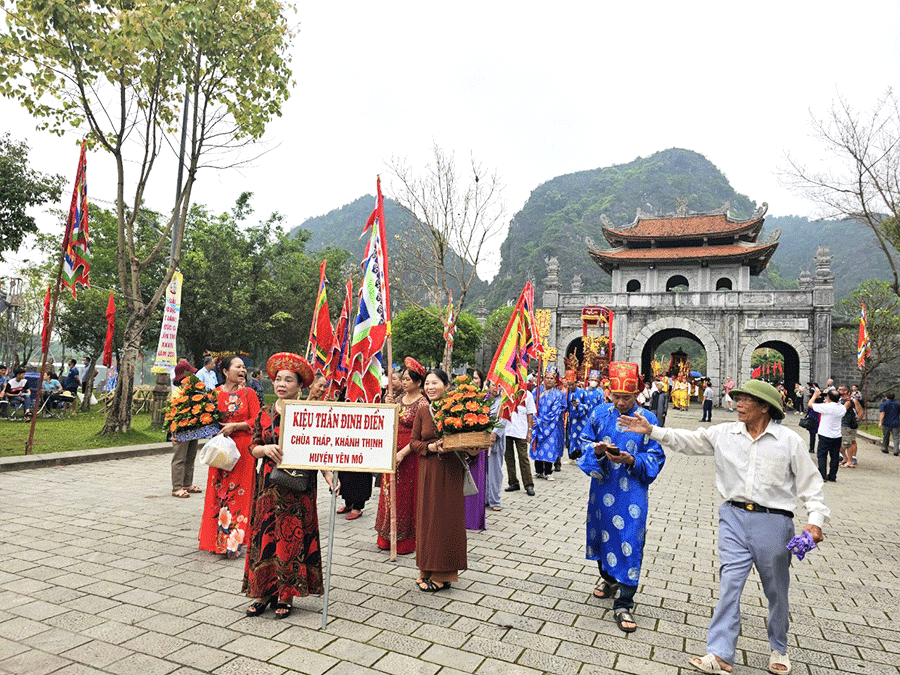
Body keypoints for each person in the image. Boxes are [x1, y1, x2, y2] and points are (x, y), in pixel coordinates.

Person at [620, 379, 827, 675]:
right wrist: (653, 431)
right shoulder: (725, 433)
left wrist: (815, 521)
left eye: (745, 400)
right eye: (737, 398)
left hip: (774, 521)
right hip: (732, 517)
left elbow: (812, 483)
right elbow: (689, 440)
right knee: (730, 584)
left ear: (765, 407)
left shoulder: (788, 441)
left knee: (776, 590)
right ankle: (720, 653)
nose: (738, 404)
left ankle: (778, 647)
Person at [243, 352, 336, 618]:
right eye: (278, 379)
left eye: (288, 380)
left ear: (299, 386)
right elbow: (252, 447)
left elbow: (318, 448)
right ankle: (262, 591)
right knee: (266, 534)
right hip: (268, 486)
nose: (281, 384)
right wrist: (265, 449)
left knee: (292, 535)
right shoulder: (264, 413)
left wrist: (329, 474)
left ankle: (286, 594)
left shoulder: (309, 413)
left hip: (299, 485)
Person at [578, 362, 665, 634]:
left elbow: (656, 455)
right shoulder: (600, 413)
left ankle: (624, 602)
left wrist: (631, 459)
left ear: (637, 392)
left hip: (632, 491)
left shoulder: (647, 419)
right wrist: (599, 451)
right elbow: (582, 442)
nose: (620, 402)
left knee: (629, 539)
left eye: (626, 397)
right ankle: (608, 578)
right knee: (603, 535)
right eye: (616, 396)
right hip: (603, 488)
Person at [410, 368, 473, 592]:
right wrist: (430, 447)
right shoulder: (423, 411)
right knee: (427, 520)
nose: (430, 387)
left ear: (446, 385)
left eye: (435, 383)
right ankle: (425, 569)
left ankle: (443, 574)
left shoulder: (458, 409)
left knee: (446, 520)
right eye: (427, 383)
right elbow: (413, 442)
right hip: (428, 470)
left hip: (450, 471)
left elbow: (470, 442)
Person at [198, 355, 260, 557]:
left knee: (240, 494)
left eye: (244, 367)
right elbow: (205, 419)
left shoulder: (248, 393)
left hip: (243, 449)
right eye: (238, 367)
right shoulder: (214, 394)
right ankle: (215, 540)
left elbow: (257, 420)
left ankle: (235, 543)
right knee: (219, 492)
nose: (242, 370)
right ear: (225, 371)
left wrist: (237, 426)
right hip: (221, 451)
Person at [375, 357, 428, 554]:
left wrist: (403, 453)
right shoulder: (397, 400)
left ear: (418, 382)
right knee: (388, 492)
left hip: (410, 455)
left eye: (408, 379)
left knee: (406, 496)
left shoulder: (423, 403)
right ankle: (386, 537)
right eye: (403, 379)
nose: (404, 382)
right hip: (391, 451)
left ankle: (406, 540)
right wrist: (386, 405)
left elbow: (422, 435)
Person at [170, 359, 202, 498]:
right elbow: (173, 414)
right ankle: (177, 487)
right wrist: (173, 432)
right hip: (181, 428)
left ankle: (187, 483)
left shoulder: (192, 390)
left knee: (190, 456)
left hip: (193, 428)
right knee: (179, 458)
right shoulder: (178, 393)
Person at [530, 367, 566, 480]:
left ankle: (548, 472)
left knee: (549, 447)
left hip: (551, 425)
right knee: (538, 447)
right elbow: (531, 407)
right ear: (543, 378)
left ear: (555, 380)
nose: (549, 380)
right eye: (547, 377)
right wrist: (534, 420)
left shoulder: (559, 394)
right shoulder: (536, 391)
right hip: (537, 425)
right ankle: (539, 471)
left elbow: (555, 412)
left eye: (552, 378)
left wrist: (541, 420)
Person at [808, 388, 851, 482]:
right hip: (837, 436)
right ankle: (832, 476)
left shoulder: (826, 407)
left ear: (828, 398)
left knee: (822, 456)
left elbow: (810, 404)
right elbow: (845, 406)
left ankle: (822, 475)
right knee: (834, 457)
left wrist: (815, 395)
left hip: (825, 435)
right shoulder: (841, 408)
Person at [464, 370, 489, 530]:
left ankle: (475, 519)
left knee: (477, 480)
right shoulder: (463, 398)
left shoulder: (484, 399)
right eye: (471, 379)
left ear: (481, 380)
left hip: (478, 443)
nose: (473, 381)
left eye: (476, 378)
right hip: (465, 442)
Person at [504, 386, 536, 496]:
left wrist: (530, 431)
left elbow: (530, 413)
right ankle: (513, 482)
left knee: (523, 458)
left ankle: (529, 484)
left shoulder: (528, 395)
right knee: (509, 458)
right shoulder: (506, 392)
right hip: (507, 429)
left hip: (521, 431)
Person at [567, 371, 604, 462]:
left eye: (595, 380)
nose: (593, 382)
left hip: (594, 418)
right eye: (591, 379)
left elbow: (601, 406)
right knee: (575, 437)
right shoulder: (584, 391)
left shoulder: (600, 392)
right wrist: (578, 406)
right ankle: (574, 456)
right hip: (580, 417)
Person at [486, 382, 505, 511]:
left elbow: (505, 420)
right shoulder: (483, 400)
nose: (495, 388)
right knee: (484, 471)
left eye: (498, 385)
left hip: (496, 440)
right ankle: (485, 497)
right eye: (492, 385)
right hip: (483, 438)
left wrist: (494, 434)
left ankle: (495, 500)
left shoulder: (503, 402)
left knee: (495, 471)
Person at [838, 385, 863, 468]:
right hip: (845, 423)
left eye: (840, 389)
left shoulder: (849, 401)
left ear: (845, 391)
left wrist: (857, 421)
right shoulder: (842, 399)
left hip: (847, 424)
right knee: (846, 443)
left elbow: (859, 411)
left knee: (847, 443)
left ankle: (850, 460)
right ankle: (846, 458)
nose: (838, 390)